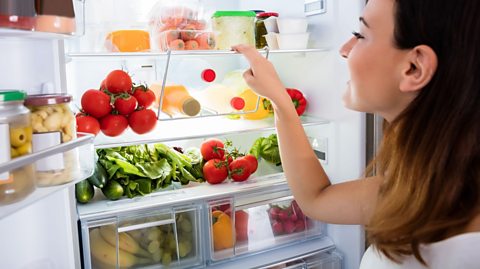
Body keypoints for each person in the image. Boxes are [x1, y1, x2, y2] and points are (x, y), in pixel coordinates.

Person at [233, 0, 480, 268]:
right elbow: (317, 199)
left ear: (414, 68)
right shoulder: (435, 183)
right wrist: (280, 101)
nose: (344, 50)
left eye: (361, 35)